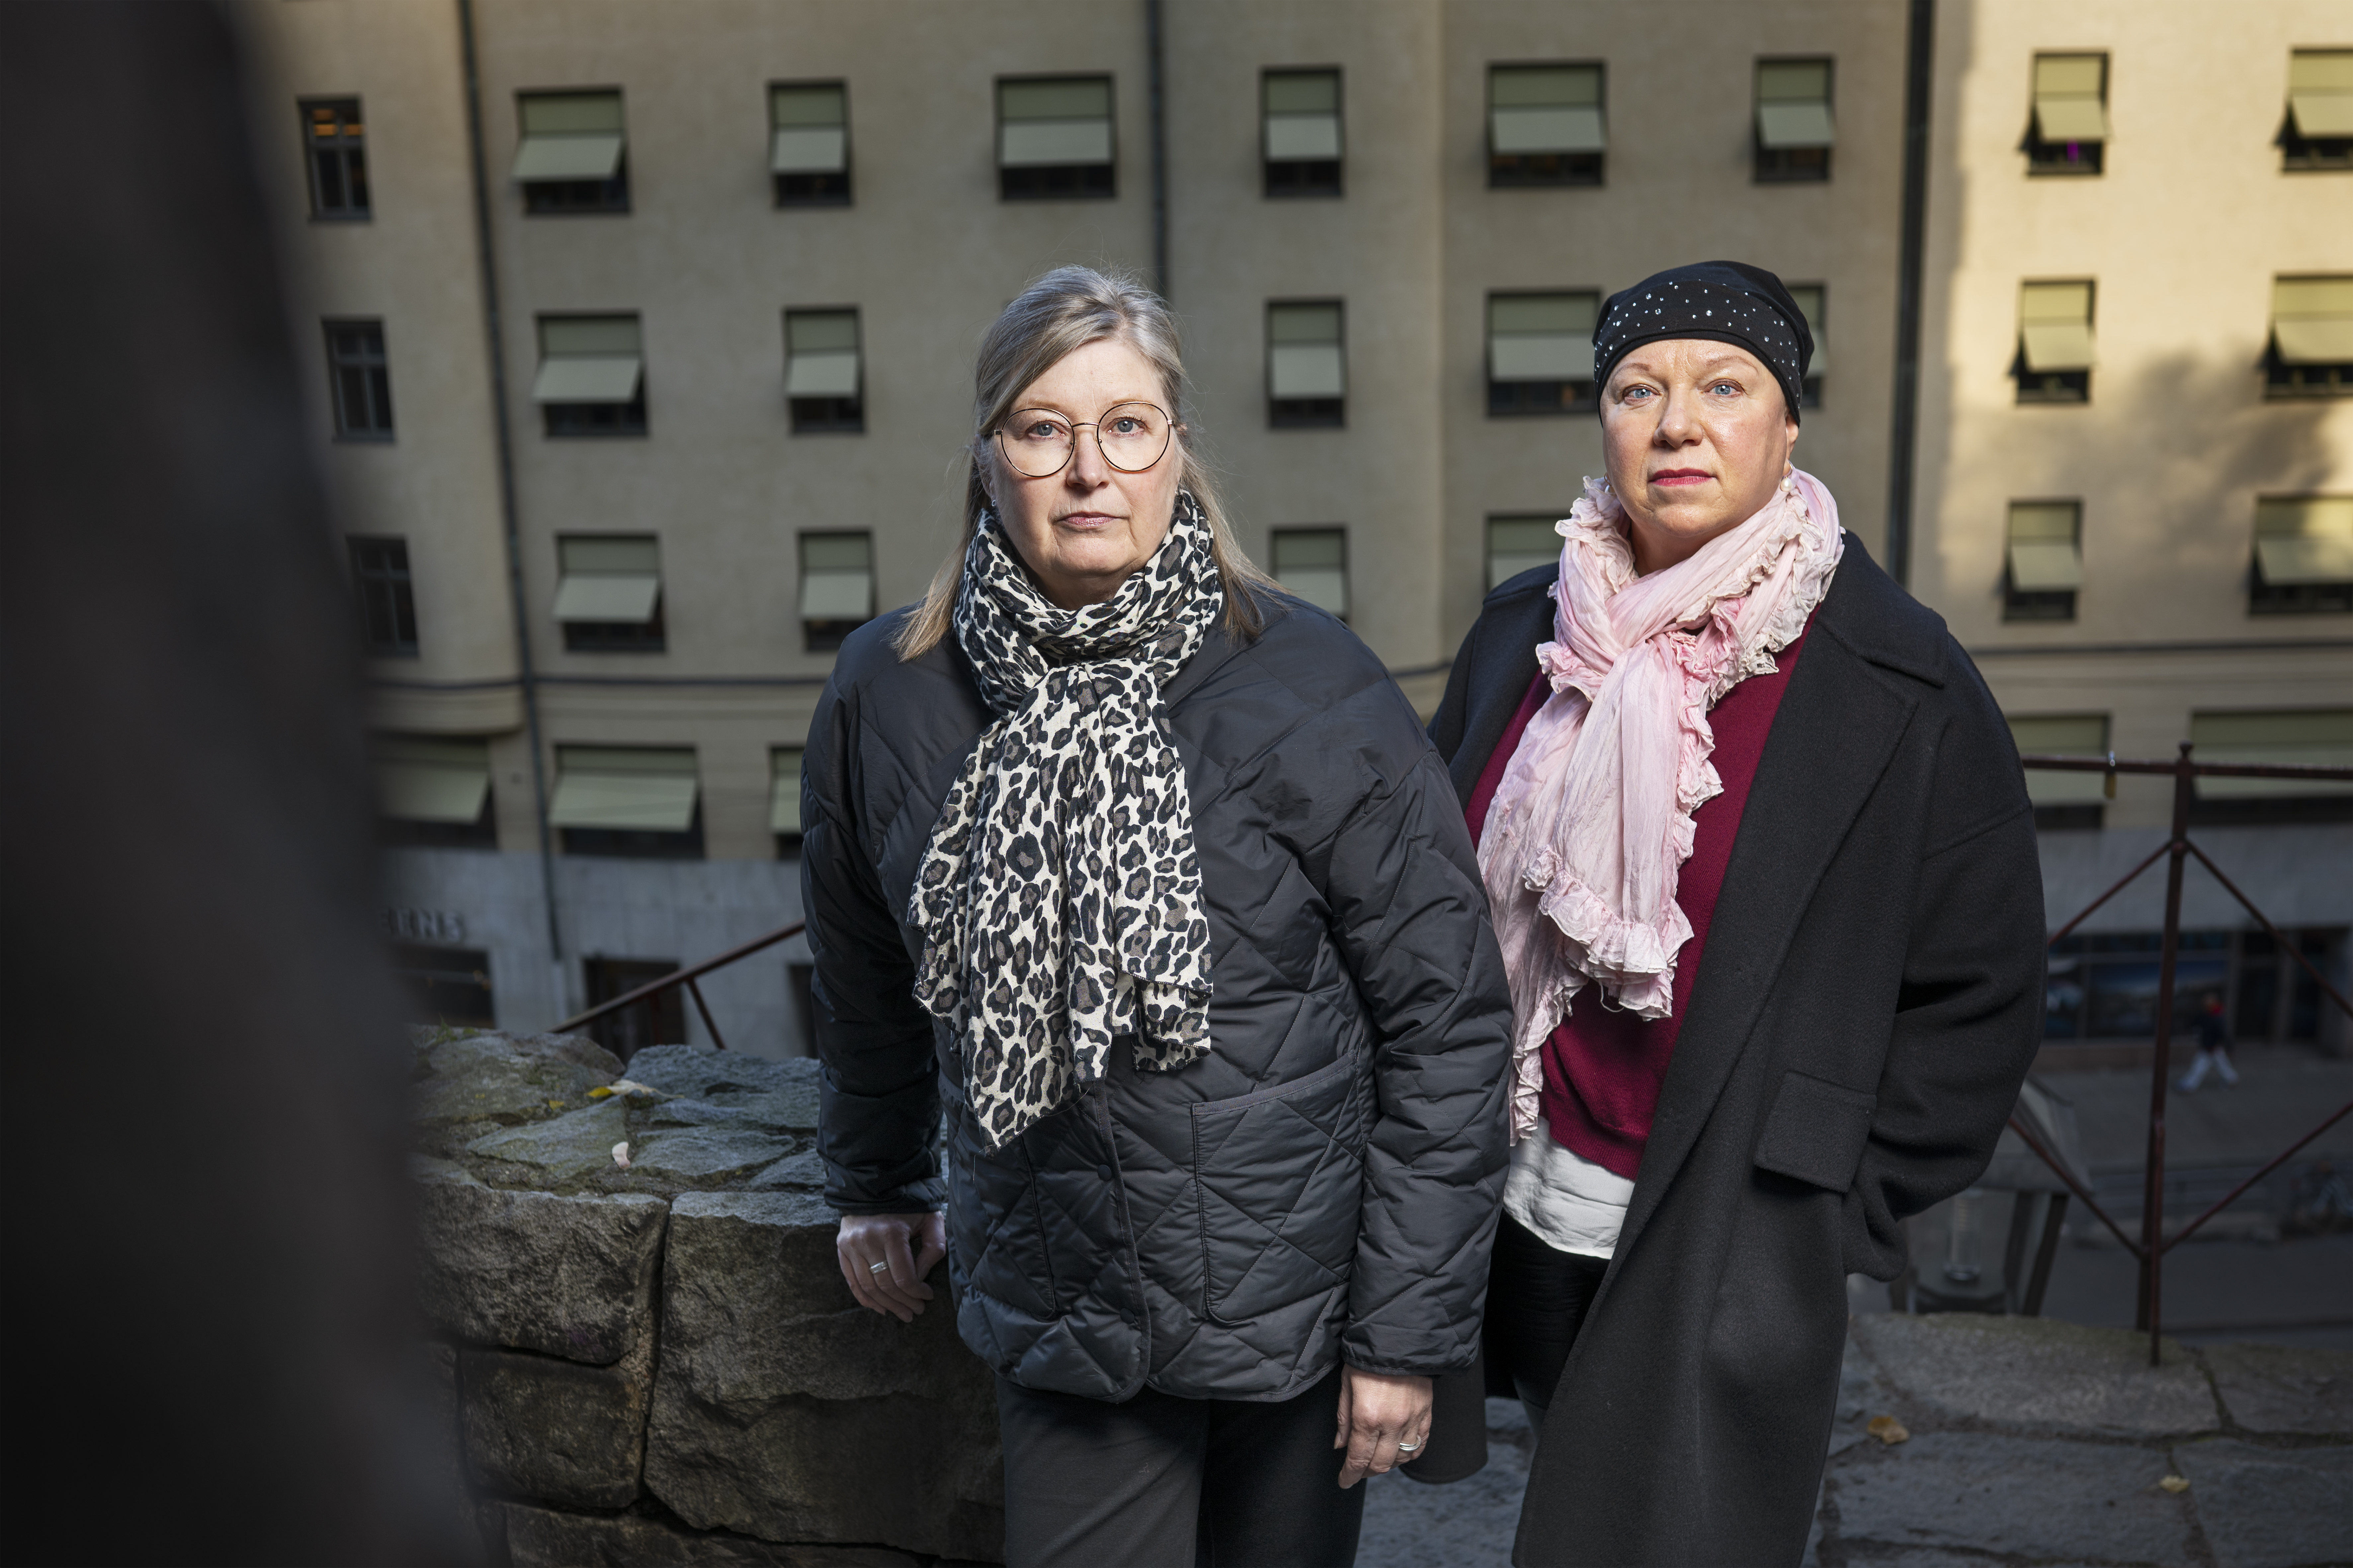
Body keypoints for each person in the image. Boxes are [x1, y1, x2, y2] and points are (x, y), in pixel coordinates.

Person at [802, 266, 1513, 1568]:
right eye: (1041, 427)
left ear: (1176, 448)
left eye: (1126, 424)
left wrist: (1404, 1332)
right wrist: (872, 1176)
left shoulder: (1311, 682)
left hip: (1293, 1311)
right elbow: (859, 963)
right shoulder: (888, 691)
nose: (1089, 468)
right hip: (1065, 1304)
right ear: (987, 454)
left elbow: (1449, 1025)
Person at [1427, 261, 2048, 1566]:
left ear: (1785, 423)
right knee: (1569, 1480)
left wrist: (1833, 1194)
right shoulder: (1519, 638)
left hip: (1729, 1228)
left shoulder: (1901, 681)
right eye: (1636, 388)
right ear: (1600, 419)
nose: (1675, 423)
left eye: (1724, 385)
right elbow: (1427, 896)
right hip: (1526, 1202)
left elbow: (1980, 988)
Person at [2177, 995, 2239, 1090]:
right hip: (2211, 1046)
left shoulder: (2217, 1018)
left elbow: (2224, 1034)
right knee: (2222, 1064)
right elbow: (2197, 1022)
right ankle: (2232, 1080)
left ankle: (2188, 1086)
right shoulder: (2207, 1015)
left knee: (2199, 1067)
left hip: (2211, 1047)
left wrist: (2228, 1047)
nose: (2206, 1007)